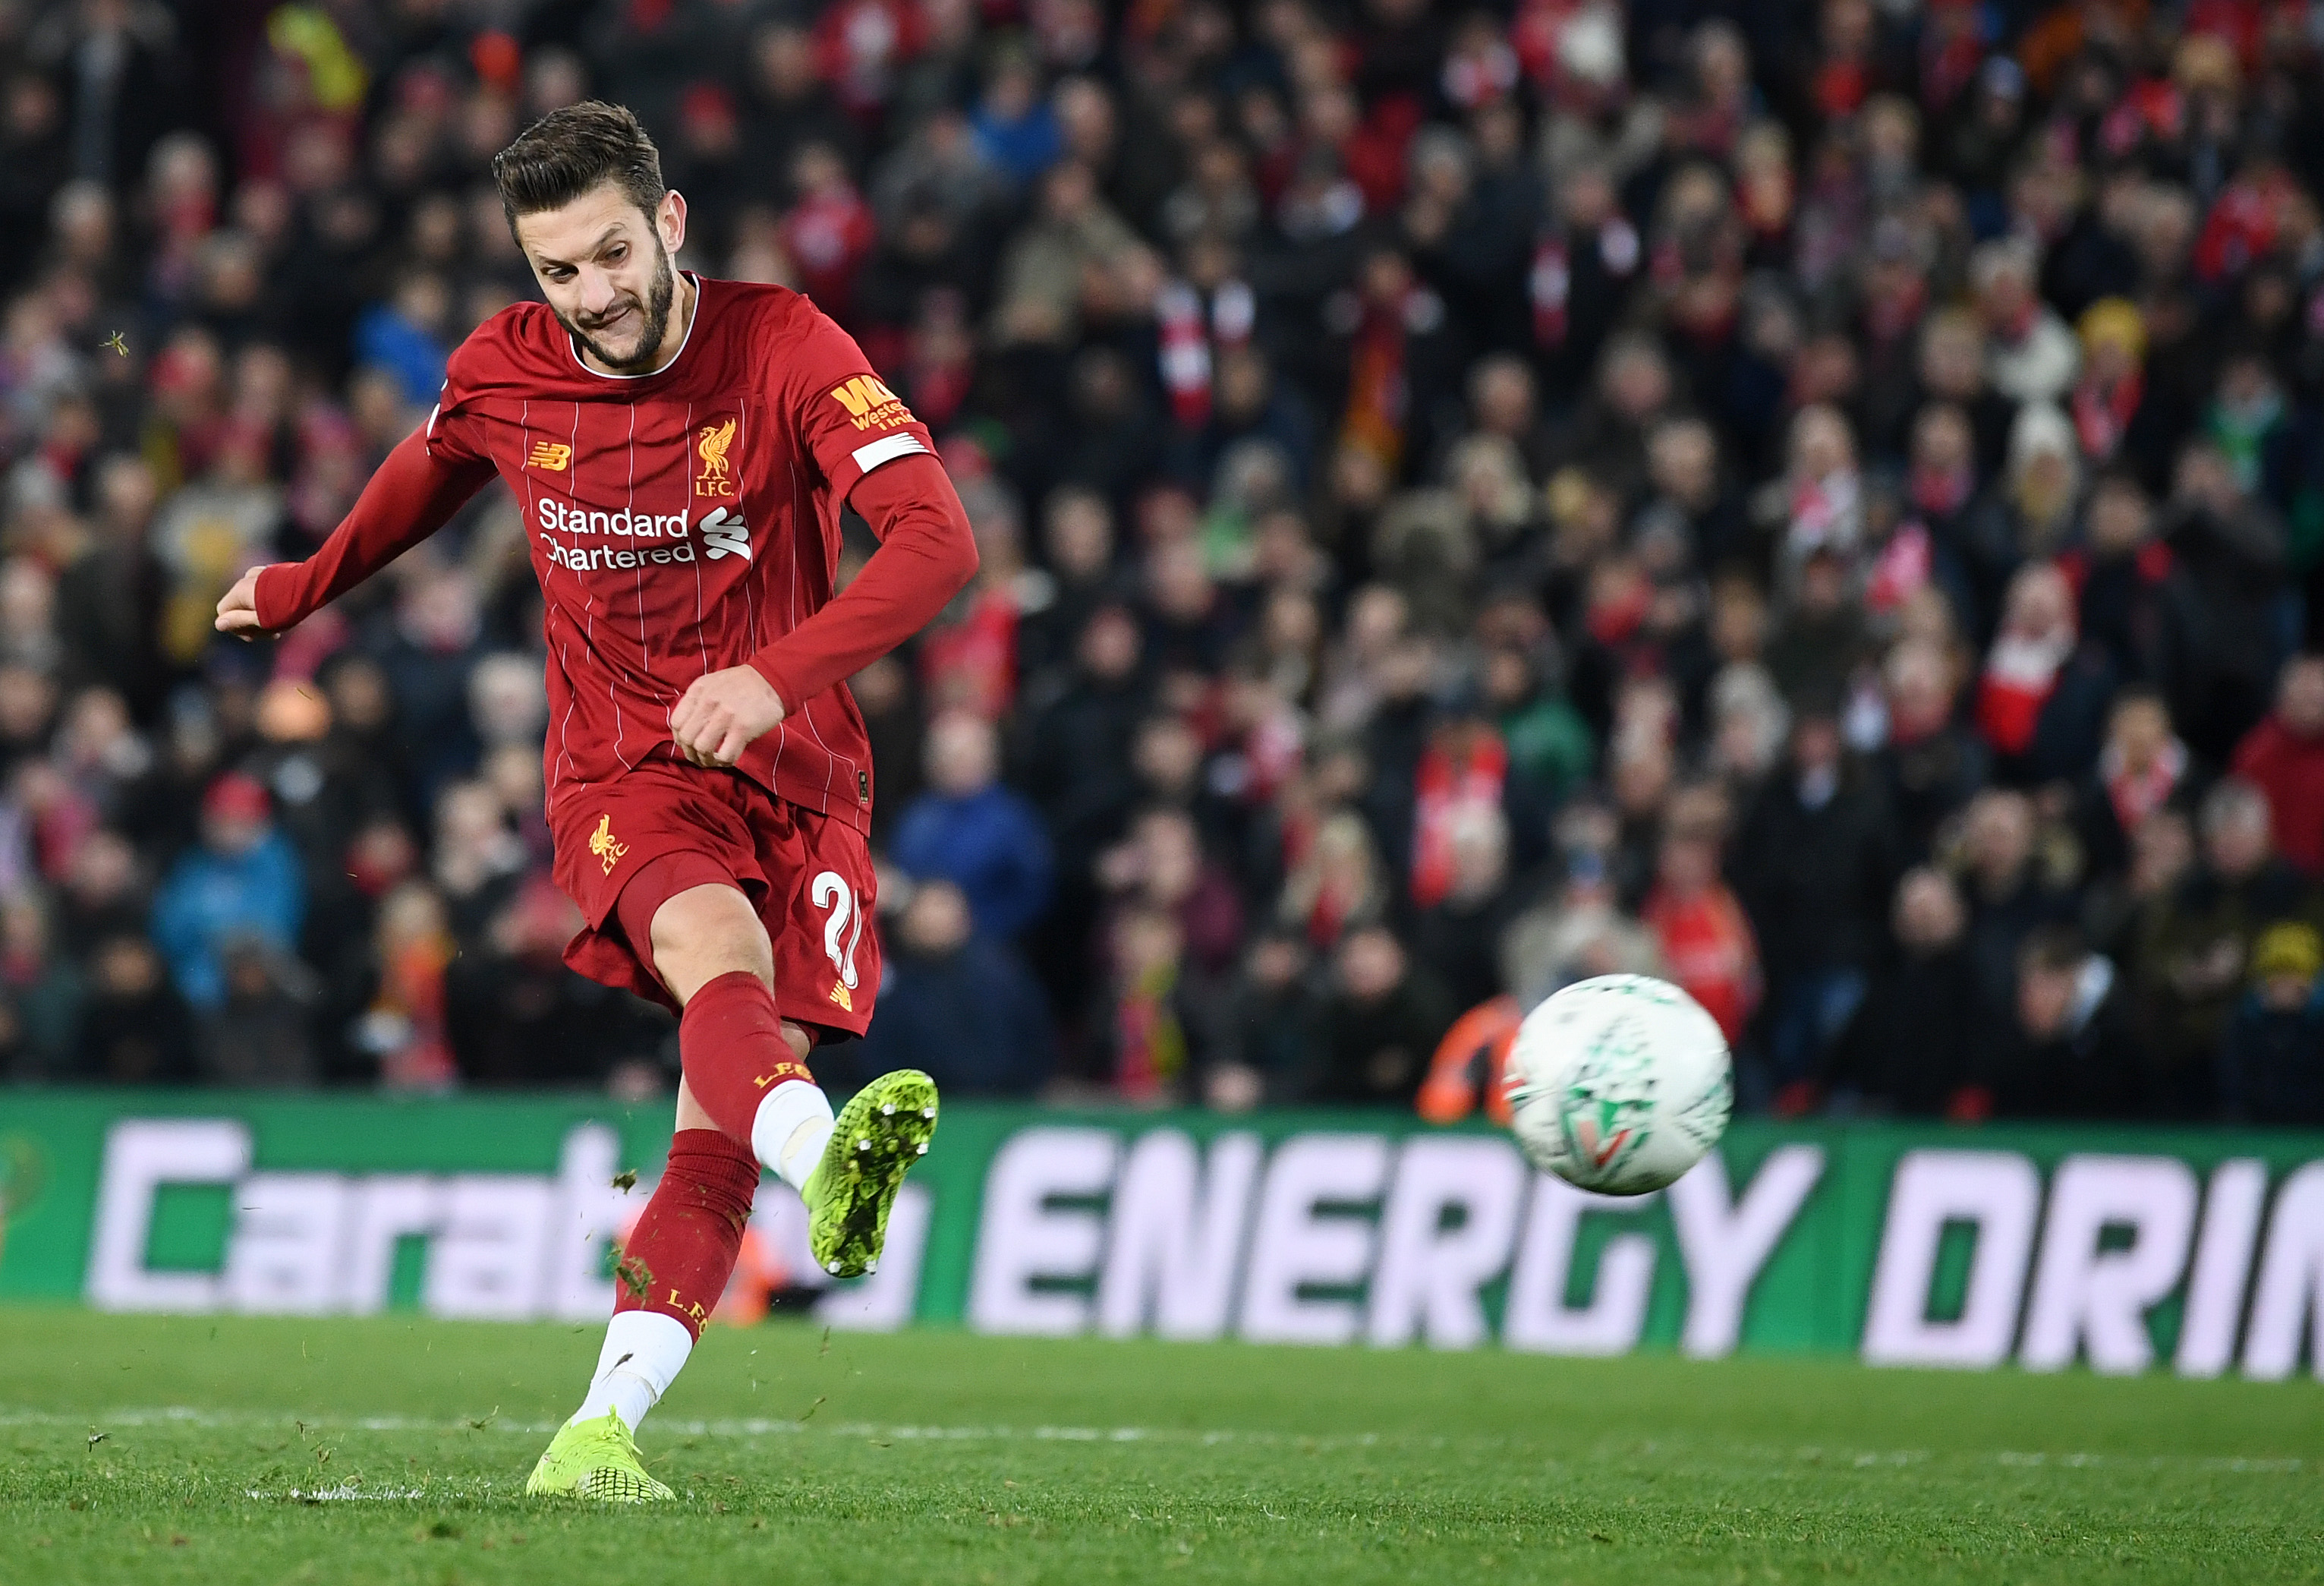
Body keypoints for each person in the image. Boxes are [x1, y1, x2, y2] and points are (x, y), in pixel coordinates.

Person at [212, 105, 978, 1502]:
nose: (592, 295)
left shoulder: (790, 346)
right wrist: (299, 583)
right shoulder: (506, 371)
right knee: (717, 963)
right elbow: (425, 472)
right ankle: (828, 1158)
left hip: (799, 775)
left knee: (712, 1124)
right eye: (557, 271)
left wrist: (772, 675)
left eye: (613, 255)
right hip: (621, 769)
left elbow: (939, 541)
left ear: (670, 222)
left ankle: (598, 1431)